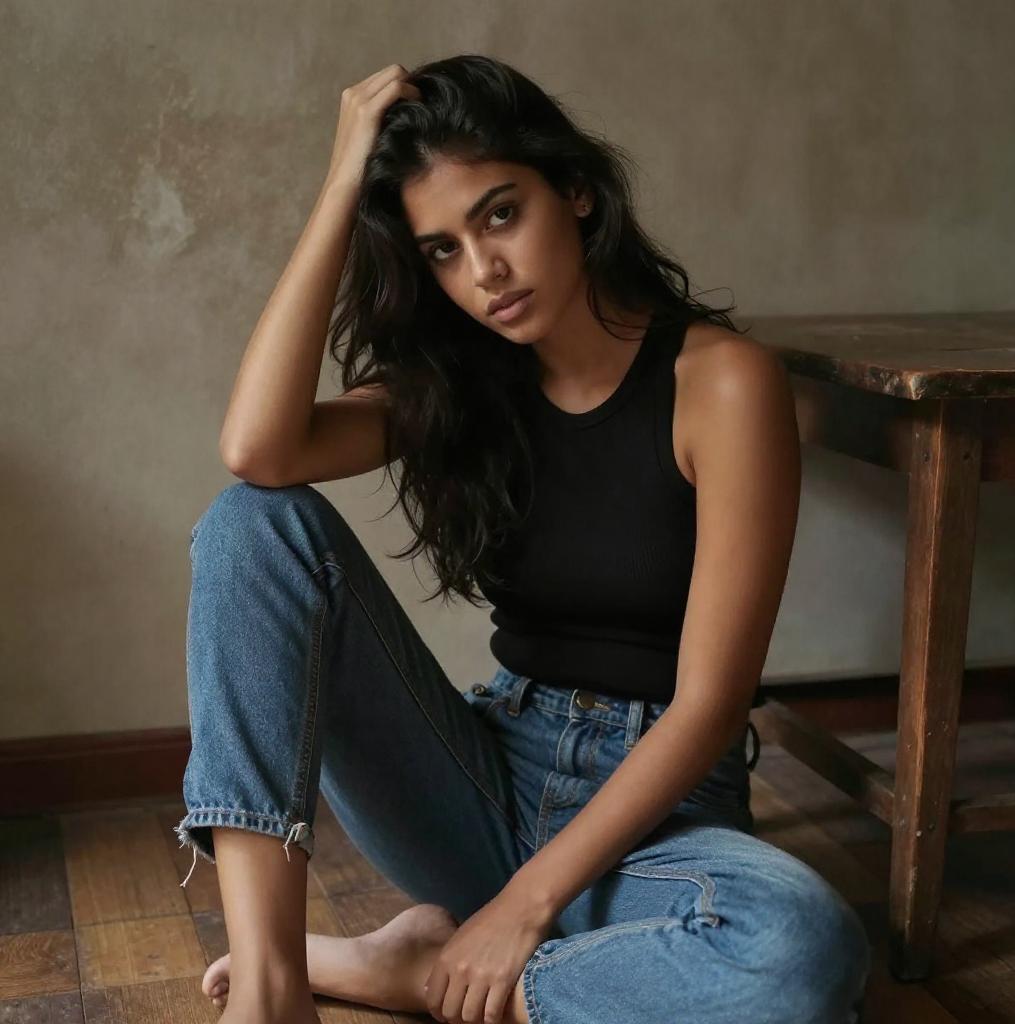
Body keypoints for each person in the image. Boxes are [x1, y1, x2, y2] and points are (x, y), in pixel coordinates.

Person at [175, 54, 870, 1024]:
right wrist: (339, 185)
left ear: (575, 190)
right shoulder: (460, 383)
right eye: (442, 250)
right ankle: (271, 986)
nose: (483, 272)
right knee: (253, 523)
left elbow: (711, 705)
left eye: (500, 214)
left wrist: (521, 908)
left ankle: (420, 974)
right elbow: (259, 448)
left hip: (657, 819)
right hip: (485, 782)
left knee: (800, 953)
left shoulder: (722, 384)